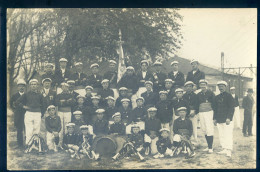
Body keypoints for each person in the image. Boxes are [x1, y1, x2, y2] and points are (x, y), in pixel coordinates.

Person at [16, 79, 45, 146]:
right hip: (29, 113)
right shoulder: (26, 94)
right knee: (29, 130)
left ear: (37, 86)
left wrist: (41, 113)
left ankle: (35, 145)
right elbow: (17, 102)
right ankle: (28, 145)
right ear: (29, 86)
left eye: (35, 84)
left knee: (36, 130)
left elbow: (44, 105)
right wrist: (23, 106)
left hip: (37, 113)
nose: (33, 86)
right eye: (32, 84)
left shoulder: (40, 95)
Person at [214, 81, 235, 157]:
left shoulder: (229, 96)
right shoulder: (217, 97)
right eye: (219, 86)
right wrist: (215, 118)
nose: (221, 88)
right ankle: (224, 148)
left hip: (227, 120)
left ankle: (229, 150)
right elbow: (215, 109)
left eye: (222, 86)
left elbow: (231, 108)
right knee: (221, 134)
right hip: (219, 119)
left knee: (228, 134)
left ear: (225, 87)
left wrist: (229, 118)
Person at [197, 79, 215, 153]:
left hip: (209, 112)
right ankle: (208, 146)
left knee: (209, 129)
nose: (202, 86)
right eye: (201, 85)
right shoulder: (198, 94)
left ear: (206, 85)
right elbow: (197, 104)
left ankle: (210, 147)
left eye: (204, 84)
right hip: (201, 113)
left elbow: (214, 104)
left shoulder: (211, 93)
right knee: (204, 129)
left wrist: (214, 115)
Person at [10, 79, 27, 148]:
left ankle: (28, 144)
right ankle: (20, 144)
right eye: (20, 86)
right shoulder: (14, 96)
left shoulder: (27, 95)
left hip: (26, 114)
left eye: (23, 86)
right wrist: (14, 110)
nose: (21, 87)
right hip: (18, 115)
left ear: (25, 87)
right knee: (19, 130)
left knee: (27, 129)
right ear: (17, 87)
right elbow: (11, 104)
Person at [183, 81, 199, 146]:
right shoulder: (183, 96)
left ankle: (194, 143)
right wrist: (185, 113)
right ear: (185, 88)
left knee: (194, 127)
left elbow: (198, 105)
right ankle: (186, 142)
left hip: (193, 112)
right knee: (186, 127)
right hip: (185, 112)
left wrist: (194, 112)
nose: (189, 88)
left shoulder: (195, 96)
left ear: (192, 88)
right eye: (187, 86)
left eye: (190, 86)